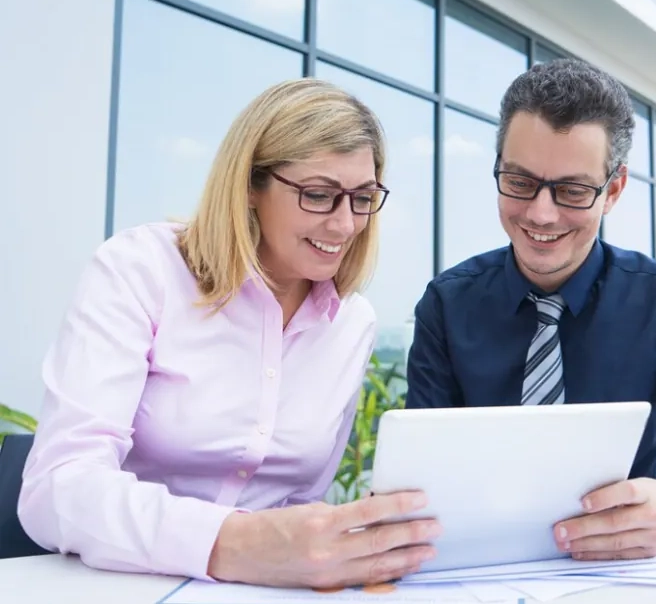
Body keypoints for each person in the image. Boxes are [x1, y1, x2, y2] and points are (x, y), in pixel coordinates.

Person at [18, 78, 441, 588]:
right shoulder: (140, 271)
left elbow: (302, 500)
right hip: (120, 585)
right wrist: (232, 544)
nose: (346, 224)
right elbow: (56, 489)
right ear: (250, 185)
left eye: (363, 197)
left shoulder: (353, 323)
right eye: (319, 195)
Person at [405, 58, 656, 561]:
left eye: (573, 190)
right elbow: (418, 477)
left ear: (615, 190)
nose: (541, 213)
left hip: (626, 574)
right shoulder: (447, 303)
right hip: (477, 570)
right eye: (519, 182)